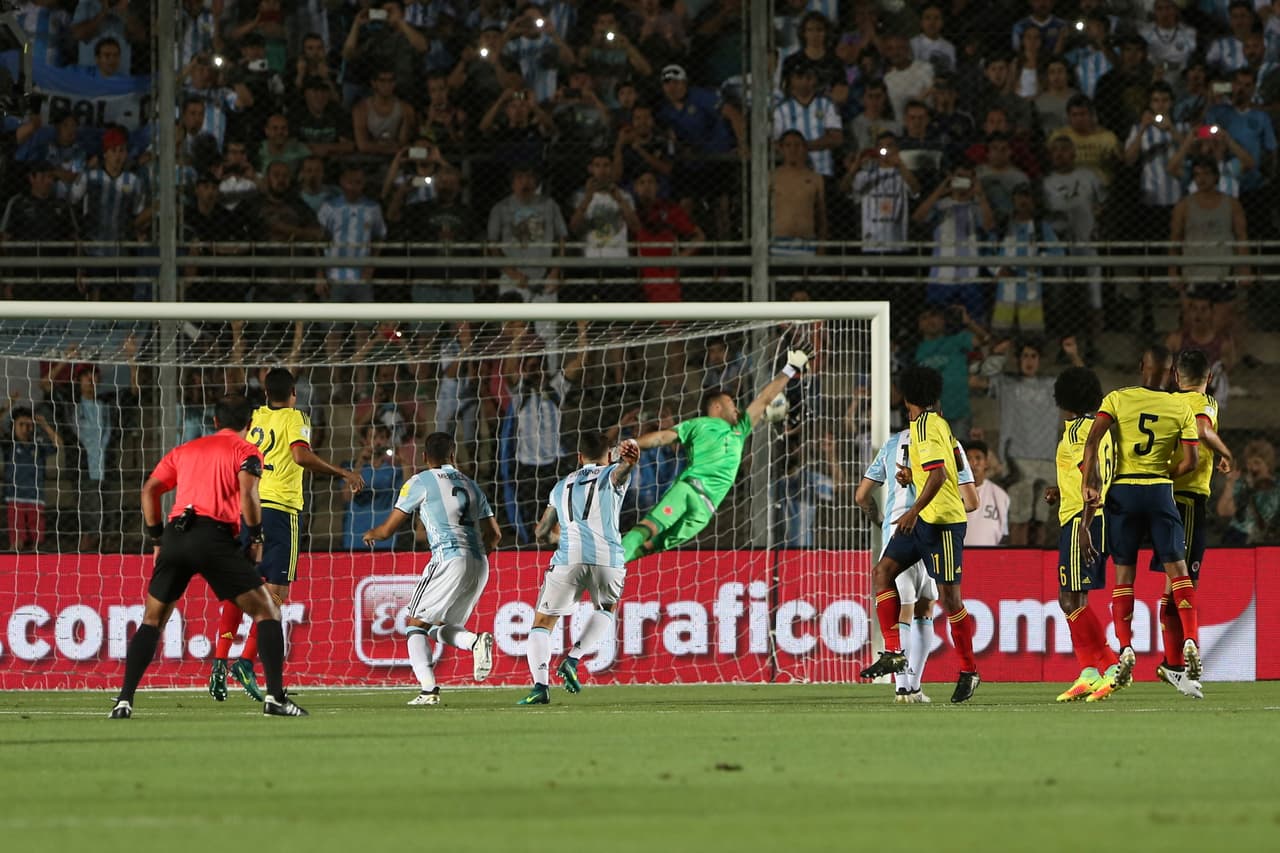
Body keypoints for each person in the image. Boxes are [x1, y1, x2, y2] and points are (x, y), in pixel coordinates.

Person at [110, 394, 306, 719]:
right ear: (250, 424)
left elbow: (149, 490)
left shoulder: (184, 450)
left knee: (152, 620)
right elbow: (248, 493)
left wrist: (157, 537)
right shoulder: (246, 450)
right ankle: (275, 698)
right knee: (268, 611)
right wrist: (256, 536)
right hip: (213, 537)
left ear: (214, 422)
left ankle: (123, 701)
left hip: (175, 534)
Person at [209, 368, 365, 703]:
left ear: (266, 393)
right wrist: (342, 472)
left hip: (247, 506)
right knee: (276, 593)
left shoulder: (255, 418)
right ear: (293, 392)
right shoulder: (296, 417)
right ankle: (246, 661)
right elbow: (299, 455)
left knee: (242, 586)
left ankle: (221, 658)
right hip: (280, 509)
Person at [1079, 345, 1201, 695]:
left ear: (1141, 367)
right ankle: (1191, 639)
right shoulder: (1181, 406)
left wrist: (1091, 477)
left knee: (1124, 574)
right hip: (1160, 490)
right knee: (1178, 570)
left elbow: (1093, 440)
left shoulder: (1118, 399)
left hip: (1124, 491)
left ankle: (1126, 644)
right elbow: (1190, 462)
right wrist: (1164, 474)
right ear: (1172, 374)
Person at [859, 365, 981, 704]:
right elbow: (939, 468)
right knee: (883, 572)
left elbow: (939, 475)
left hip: (940, 523)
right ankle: (894, 652)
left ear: (907, 398)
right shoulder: (939, 427)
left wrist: (912, 510)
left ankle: (969, 670)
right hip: (925, 520)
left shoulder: (924, 428)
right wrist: (911, 475)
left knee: (950, 600)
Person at [621, 347, 812, 562]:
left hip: (705, 510)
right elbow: (662, 437)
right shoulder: (697, 425)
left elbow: (765, 398)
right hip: (690, 490)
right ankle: (608, 562)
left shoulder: (739, 431)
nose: (737, 410)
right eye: (732, 404)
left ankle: (610, 570)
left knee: (652, 546)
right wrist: (633, 443)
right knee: (650, 527)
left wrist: (789, 369)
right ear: (717, 406)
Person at [363, 432, 501, 706]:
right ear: (453, 455)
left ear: (424, 457)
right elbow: (495, 535)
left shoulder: (420, 481)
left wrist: (372, 534)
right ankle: (474, 642)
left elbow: (389, 529)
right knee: (440, 627)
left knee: (415, 625)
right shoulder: (472, 484)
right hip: (479, 562)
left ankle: (428, 691)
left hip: (448, 558)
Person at [517, 431, 640, 705]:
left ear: (578, 456)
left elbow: (541, 533)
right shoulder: (611, 473)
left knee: (542, 624)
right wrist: (629, 463)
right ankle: (573, 659)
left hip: (568, 560)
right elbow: (619, 473)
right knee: (606, 609)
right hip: (607, 560)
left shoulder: (560, 486)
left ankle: (540, 686)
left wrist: (560, 537)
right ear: (608, 455)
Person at [1152, 349, 1233, 698]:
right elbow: (1201, 428)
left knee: (1174, 583)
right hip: (1187, 499)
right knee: (1185, 582)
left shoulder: (1166, 404)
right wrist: (1226, 453)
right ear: (1209, 378)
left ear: (1174, 376)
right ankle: (1183, 651)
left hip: (1162, 494)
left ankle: (1172, 664)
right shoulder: (1206, 403)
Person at [1042, 366, 1121, 703]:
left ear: (1065, 399)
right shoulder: (1102, 430)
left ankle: (1110, 664)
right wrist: (1060, 490)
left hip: (1081, 521)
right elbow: (1097, 474)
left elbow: (1091, 479)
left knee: (1067, 599)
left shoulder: (1076, 433)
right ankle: (1089, 672)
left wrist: (1085, 525)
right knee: (1079, 598)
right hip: (1097, 516)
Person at [1, 402, 61, 552]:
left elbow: (59, 444)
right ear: (14, 426)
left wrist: (45, 425)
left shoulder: (38, 445)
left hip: (35, 498)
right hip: (15, 498)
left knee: (37, 543)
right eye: (21, 424)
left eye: (29, 425)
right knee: (17, 542)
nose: (26, 428)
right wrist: (8, 406)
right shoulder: (9, 444)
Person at [963, 440, 1009, 546]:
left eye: (978, 458)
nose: (973, 463)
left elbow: (1004, 534)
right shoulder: (954, 493)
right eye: (968, 459)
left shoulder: (1000, 495)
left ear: (986, 463)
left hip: (988, 556)